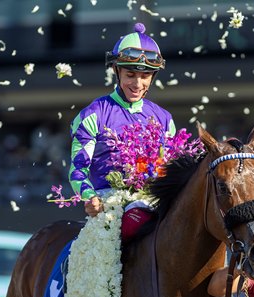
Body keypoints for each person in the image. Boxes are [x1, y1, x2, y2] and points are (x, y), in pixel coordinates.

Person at [68, 22, 175, 242]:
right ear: (117, 71)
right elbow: (78, 169)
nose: (137, 83)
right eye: (130, 74)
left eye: (145, 76)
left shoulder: (165, 119)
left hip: (152, 207)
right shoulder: (93, 114)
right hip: (108, 209)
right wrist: (90, 197)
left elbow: (169, 171)